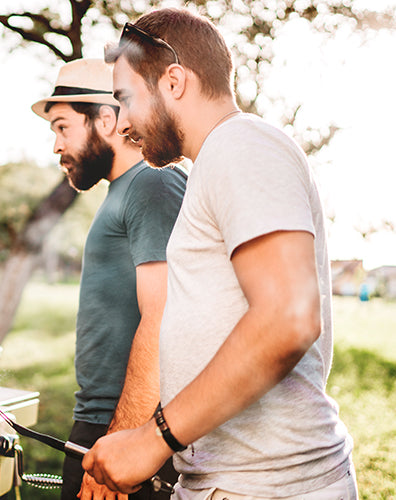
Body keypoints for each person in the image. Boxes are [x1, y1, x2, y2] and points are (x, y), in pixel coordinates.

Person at [82, 8, 357, 498]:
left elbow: (288, 318)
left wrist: (155, 438)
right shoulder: (216, 162)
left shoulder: (241, 144)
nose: (120, 125)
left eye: (125, 100)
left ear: (174, 81)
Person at [31, 58, 185, 500]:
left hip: (122, 431)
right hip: (102, 425)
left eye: (63, 128)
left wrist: (127, 440)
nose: (56, 146)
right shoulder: (124, 190)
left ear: (107, 119)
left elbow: (164, 317)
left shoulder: (152, 184)